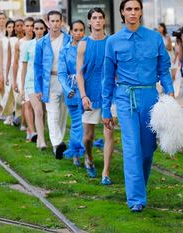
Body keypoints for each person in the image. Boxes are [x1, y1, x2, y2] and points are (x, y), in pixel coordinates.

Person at [102, 0, 174, 212]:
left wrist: (169, 91)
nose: (133, 13)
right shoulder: (113, 41)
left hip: (150, 96)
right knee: (132, 146)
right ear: (122, 13)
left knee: (147, 148)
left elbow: (164, 67)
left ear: (141, 12)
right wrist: (106, 109)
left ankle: (138, 187)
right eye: (128, 9)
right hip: (125, 98)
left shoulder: (154, 38)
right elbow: (107, 78)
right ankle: (136, 199)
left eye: (136, 9)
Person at [76, 7, 115, 183]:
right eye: (94, 18)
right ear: (89, 22)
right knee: (88, 137)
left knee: (109, 133)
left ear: (104, 20)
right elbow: (79, 73)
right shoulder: (83, 44)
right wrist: (83, 96)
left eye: (100, 17)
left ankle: (105, 173)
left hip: (109, 94)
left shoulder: (111, 42)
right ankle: (89, 158)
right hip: (90, 95)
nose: (98, 20)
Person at [34, 10, 70, 159]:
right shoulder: (42, 42)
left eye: (57, 21)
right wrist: (38, 88)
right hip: (49, 81)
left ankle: (58, 145)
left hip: (66, 82)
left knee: (62, 115)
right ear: (48, 23)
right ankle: (57, 143)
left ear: (61, 22)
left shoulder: (69, 39)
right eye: (52, 21)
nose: (55, 24)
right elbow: (37, 66)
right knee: (52, 114)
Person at [58, 20, 86, 166]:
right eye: (75, 30)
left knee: (87, 124)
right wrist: (68, 89)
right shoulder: (64, 50)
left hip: (88, 91)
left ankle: (84, 151)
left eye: (81, 30)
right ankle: (76, 152)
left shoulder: (89, 47)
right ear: (70, 32)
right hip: (72, 91)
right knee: (76, 123)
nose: (78, 33)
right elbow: (61, 74)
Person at [24, 18, 48, 148]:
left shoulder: (48, 44)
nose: (38, 31)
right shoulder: (27, 45)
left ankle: (41, 137)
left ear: (44, 29)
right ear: (33, 29)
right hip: (31, 82)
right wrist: (21, 86)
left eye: (41, 28)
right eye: (36, 28)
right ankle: (42, 141)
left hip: (45, 82)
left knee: (43, 112)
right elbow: (24, 66)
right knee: (38, 110)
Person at [3, 19, 25, 125]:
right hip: (13, 70)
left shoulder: (27, 40)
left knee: (22, 94)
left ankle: (20, 117)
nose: (20, 27)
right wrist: (6, 75)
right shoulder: (11, 41)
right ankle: (15, 115)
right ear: (15, 28)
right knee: (15, 94)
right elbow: (8, 59)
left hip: (24, 69)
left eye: (22, 25)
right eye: (17, 26)